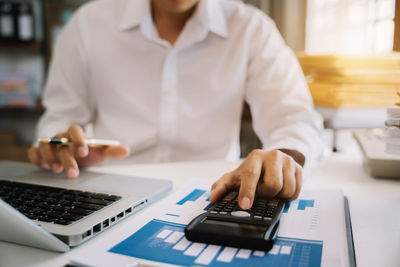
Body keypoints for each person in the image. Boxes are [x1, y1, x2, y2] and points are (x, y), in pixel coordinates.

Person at [28, 0, 323, 210]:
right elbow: (58, 120)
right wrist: (62, 148)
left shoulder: (252, 28)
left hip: (213, 196)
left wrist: (283, 158)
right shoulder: (88, 23)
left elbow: (294, 118)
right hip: (108, 194)